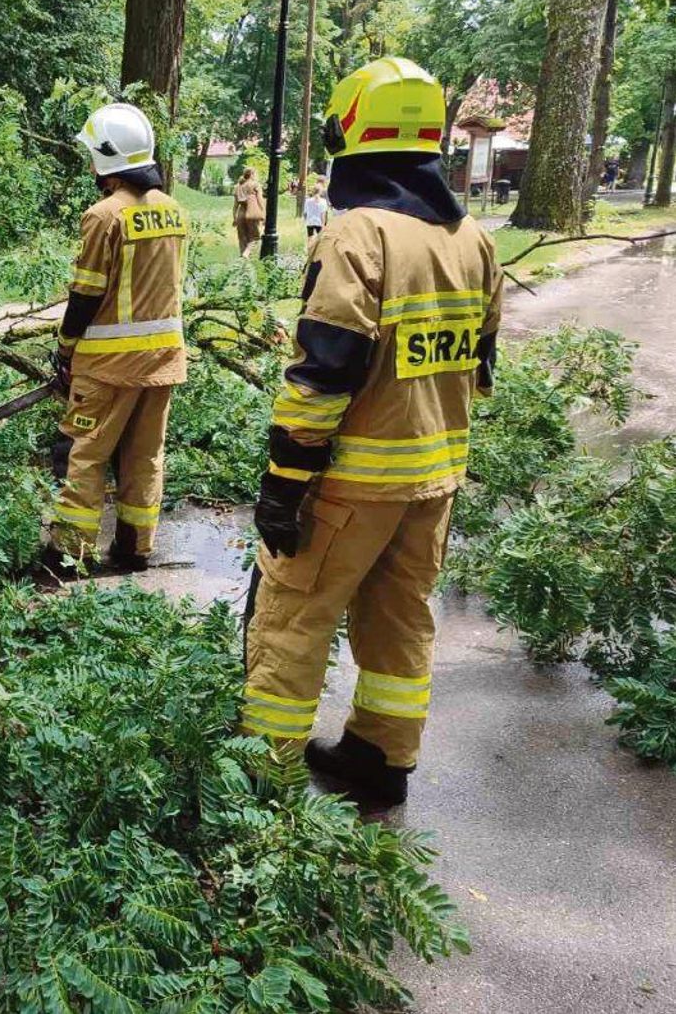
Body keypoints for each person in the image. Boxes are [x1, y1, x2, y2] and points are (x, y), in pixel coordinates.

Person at [241, 57, 503, 809]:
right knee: (399, 620)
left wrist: (284, 484)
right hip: (435, 482)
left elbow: (324, 372)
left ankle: (263, 778)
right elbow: (478, 368)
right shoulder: (473, 240)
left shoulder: (358, 235)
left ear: (349, 130)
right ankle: (382, 757)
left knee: (294, 618)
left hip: (351, 484)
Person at [41, 102, 188, 579]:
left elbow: (86, 295)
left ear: (107, 158)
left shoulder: (104, 216)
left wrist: (65, 347)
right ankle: (134, 548)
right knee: (145, 455)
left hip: (107, 366)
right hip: (163, 361)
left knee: (84, 453)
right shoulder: (173, 212)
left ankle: (69, 554)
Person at [233, 167, 266, 256]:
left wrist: (234, 218)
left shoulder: (238, 187)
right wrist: (264, 214)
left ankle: (243, 262)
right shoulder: (255, 185)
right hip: (252, 213)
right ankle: (246, 254)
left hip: (240, 214)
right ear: (252, 174)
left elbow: (235, 206)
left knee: (242, 239)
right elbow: (260, 200)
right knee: (255, 237)